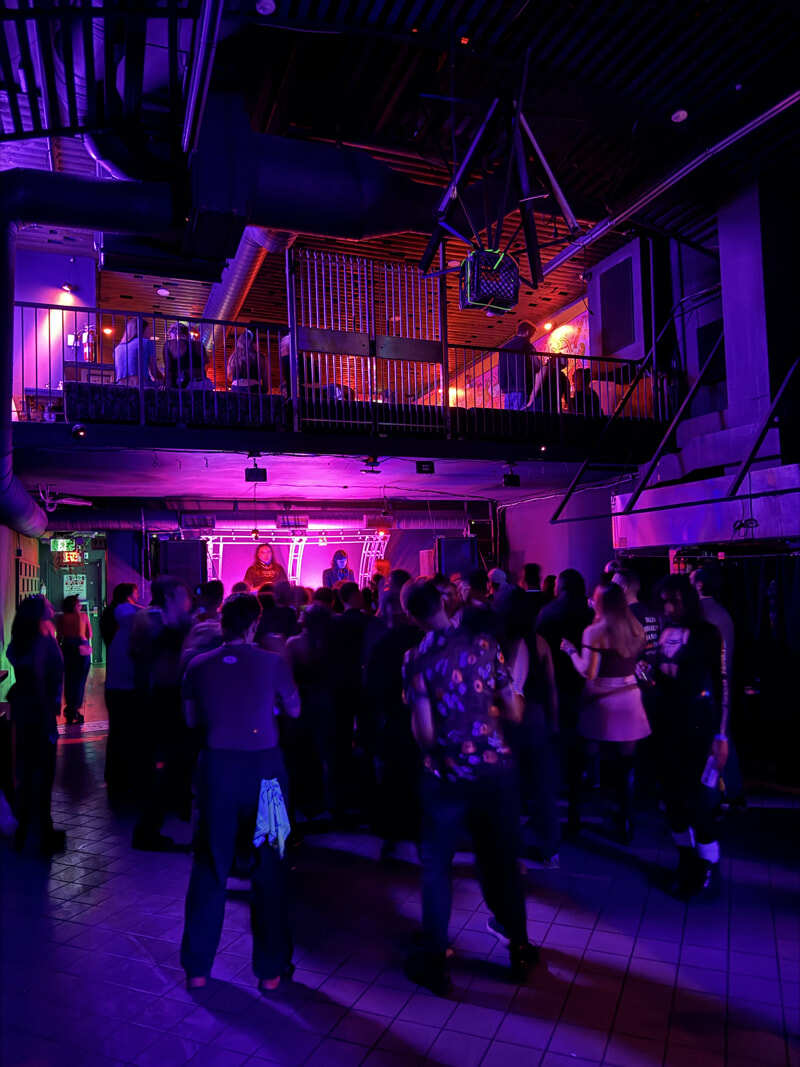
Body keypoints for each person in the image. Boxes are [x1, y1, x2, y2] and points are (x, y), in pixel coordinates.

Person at [401, 580, 538, 994]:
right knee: (501, 860)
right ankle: (519, 949)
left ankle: (436, 961)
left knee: (437, 866)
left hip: (446, 776)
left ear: (412, 616)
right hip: (495, 771)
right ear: (444, 602)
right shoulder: (484, 642)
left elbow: (424, 733)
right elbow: (513, 710)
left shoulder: (416, 658)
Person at [181, 594, 301, 990]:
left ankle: (198, 969)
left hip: (217, 771)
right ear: (255, 625)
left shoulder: (197, 665)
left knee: (210, 865)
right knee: (272, 868)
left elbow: (191, 719)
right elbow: (295, 709)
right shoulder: (273, 663)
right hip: (267, 773)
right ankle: (271, 971)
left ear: (222, 623)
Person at [652, 575, 727, 896]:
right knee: (672, 799)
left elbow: (722, 683)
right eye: (664, 600)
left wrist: (721, 735)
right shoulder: (664, 631)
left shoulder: (709, 633)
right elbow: (665, 677)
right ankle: (686, 859)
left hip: (699, 724)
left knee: (698, 800)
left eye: (675, 601)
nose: (668, 607)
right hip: (667, 725)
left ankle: (707, 868)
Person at [560, 582, 651, 843]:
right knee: (627, 766)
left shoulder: (594, 632)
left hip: (600, 699)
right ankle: (626, 823)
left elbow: (588, 671)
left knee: (583, 758)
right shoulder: (635, 628)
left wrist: (571, 651)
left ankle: (575, 818)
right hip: (629, 697)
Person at [128, 575, 195, 850]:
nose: (188, 601)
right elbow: (141, 655)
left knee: (175, 762)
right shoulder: (151, 620)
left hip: (165, 697)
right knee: (168, 762)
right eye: (182, 595)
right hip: (157, 698)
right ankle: (148, 830)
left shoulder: (169, 621)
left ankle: (157, 822)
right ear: (169, 597)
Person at [5, 597, 66, 854]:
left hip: (22, 707)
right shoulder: (43, 639)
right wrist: (49, 714)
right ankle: (43, 831)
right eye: (45, 602)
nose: (50, 603)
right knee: (43, 769)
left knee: (27, 769)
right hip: (38, 709)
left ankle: (25, 828)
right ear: (40, 612)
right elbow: (42, 678)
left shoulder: (19, 642)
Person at [536, 569, 594, 833]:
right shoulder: (592, 613)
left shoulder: (547, 612)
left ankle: (556, 806)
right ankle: (577, 806)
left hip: (555, 686)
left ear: (558, 586)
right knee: (582, 749)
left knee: (556, 748)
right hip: (587, 686)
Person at [104, 592, 142, 800]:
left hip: (114, 691)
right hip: (125, 693)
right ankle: (122, 780)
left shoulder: (118, 636)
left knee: (117, 736)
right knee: (125, 737)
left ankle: (114, 778)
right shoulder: (130, 637)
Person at [56, 595, 93, 725]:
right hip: (81, 649)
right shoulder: (83, 617)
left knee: (69, 679)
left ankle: (69, 708)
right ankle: (75, 708)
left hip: (66, 648)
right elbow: (89, 635)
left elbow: (59, 636)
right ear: (75, 605)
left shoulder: (61, 618)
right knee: (80, 680)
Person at [612, 569, 661, 651]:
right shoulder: (652, 615)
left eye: (614, 586)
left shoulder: (622, 615)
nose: (610, 590)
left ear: (624, 587)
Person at [497, 320, 539, 410]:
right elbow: (536, 364)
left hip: (507, 388)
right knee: (521, 414)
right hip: (522, 386)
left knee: (510, 416)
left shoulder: (505, 347)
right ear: (528, 332)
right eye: (531, 334)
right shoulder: (526, 345)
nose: (530, 338)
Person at [114, 317, 159, 386]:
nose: (150, 335)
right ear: (142, 330)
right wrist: (165, 379)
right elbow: (154, 372)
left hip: (121, 387)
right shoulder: (147, 342)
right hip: (141, 386)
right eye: (149, 330)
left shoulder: (117, 348)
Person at [164, 322, 207, 390]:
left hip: (184, 384)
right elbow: (206, 363)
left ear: (175, 334)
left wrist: (166, 385)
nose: (171, 338)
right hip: (203, 382)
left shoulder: (170, 344)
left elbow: (168, 368)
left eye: (171, 336)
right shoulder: (199, 344)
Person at [99, 582, 138, 648]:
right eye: (135, 593)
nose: (138, 595)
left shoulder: (108, 611)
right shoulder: (126, 611)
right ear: (128, 596)